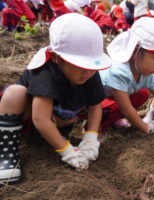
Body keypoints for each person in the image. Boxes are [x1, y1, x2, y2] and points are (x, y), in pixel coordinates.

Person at [0, 13, 112, 184]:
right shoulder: (45, 71)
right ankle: (6, 151)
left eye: (91, 66)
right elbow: (40, 119)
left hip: (60, 122)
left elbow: (95, 106)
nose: (88, 72)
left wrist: (90, 138)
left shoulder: (89, 73)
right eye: (81, 65)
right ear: (56, 58)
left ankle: (51, 139)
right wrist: (67, 151)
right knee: (14, 94)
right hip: (29, 120)